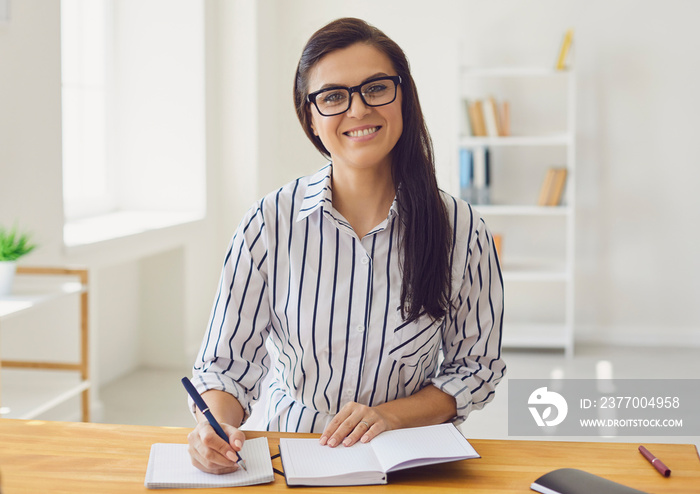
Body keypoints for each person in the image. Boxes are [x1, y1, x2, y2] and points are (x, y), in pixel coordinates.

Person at [187, 17, 505, 474]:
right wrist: (213, 430)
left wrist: (389, 416)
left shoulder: (462, 229)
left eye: (376, 88)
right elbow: (224, 367)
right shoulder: (268, 224)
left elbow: (475, 368)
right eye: (333, 96)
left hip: (408, 460)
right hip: (291, 452)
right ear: (311, 118)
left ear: (403, 98)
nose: (357, 110)